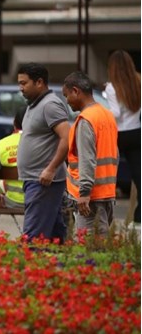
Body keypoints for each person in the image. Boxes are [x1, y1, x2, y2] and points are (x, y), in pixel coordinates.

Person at [16, 62, 70, 243]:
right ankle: (57, 269)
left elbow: (66, 138)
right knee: (54, 239)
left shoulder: (50, 105)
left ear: (39, 82)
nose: (20, 88)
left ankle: (30, 270)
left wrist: (51, 168)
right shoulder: (34, 105)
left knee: (32, 238)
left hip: (43, 181)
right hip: (34, 179)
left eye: (24, 83)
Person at [62, 71, 119, 236]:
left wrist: (84, 192)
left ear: (76, 91)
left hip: (90, 199)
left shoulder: (86, 120)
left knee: (90, 250)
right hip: (106, 193)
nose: (67, 101)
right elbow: (115, 153)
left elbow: (87, 159)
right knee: (101, 245)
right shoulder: (107, 115)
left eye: (67, 96)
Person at [106, 50, 141, 229]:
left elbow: (116, 113)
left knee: (108, 173)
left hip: (118, 134)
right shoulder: (139, 81)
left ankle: (104, 213)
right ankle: (139, 216)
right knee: (138, 174)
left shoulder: (112, 87)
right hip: (136, 132)